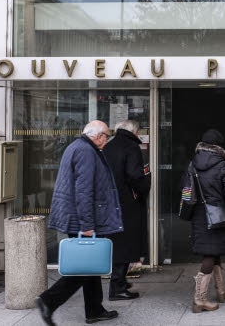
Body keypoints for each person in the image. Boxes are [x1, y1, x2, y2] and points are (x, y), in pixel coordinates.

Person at [36, 120, 122, 326]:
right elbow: (84, 191)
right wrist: (87, 225)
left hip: (78, 216)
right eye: (107, 136)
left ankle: (94, 310)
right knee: (84, 268)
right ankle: (49, 300)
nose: (107, 140)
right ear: (99, 136)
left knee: (90, 265)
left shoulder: (77, 146)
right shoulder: (86, 152)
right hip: (81, 219)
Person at [189, 129, 225, 313]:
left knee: (213, 250)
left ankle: (221, 291)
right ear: (218, 147)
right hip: (217, 212)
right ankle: (199, 299)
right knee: (209, 255)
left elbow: (185, 189)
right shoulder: (221, 164)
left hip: (199, 213)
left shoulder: (192, 164)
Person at [102, 120, 151, 301]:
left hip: (111, 202)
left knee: (118, 243)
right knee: (126, 244)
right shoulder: (131, 147)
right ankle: (118, 288)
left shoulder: (109, 146)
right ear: (134, 131)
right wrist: (145, 187)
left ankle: (119, 282)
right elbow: (135, 175)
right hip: (127, 203)